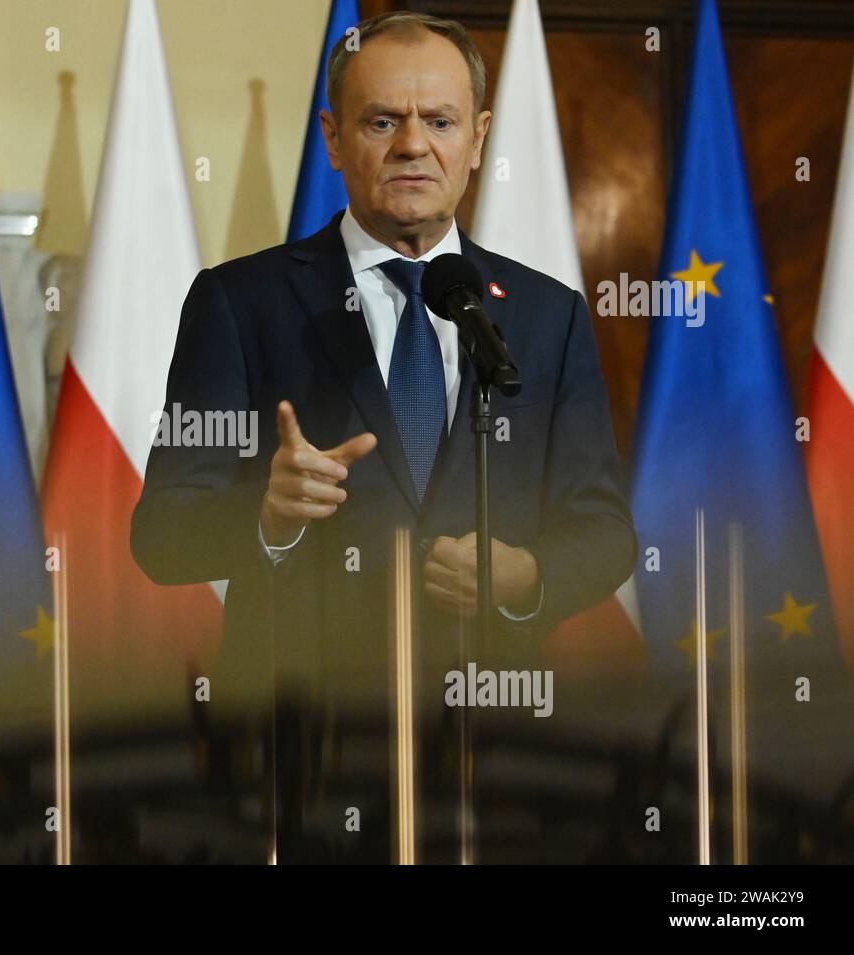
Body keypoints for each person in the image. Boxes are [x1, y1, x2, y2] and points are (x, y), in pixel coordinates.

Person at [131, 10, 636, 862]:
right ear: (333, 139)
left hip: (493, 749)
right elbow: (160, 534)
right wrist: (270, 515)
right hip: (300, 756)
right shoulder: (238, 303)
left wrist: (528, 577)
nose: (412, 145)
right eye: (381, 121)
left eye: (438, 121)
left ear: (477, 141)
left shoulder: (547, 318)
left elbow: (604, 527)